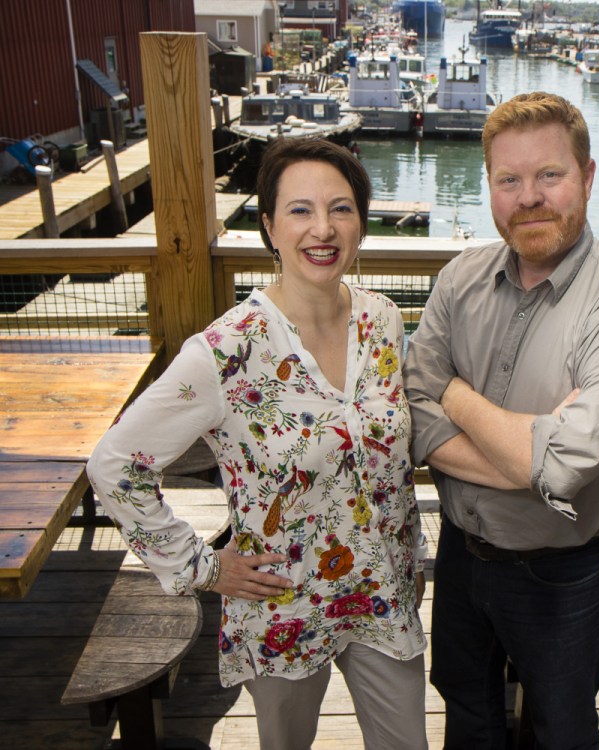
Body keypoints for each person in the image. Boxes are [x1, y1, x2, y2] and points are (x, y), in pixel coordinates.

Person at [87, 138, 428, 750]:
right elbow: (115, 466)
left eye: (341, 209)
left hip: (384, 592)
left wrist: (414, 551)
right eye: (300, 210)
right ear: (269, 225)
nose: (322, 229)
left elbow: (390, 462)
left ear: (361, 224)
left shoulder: (383, 320)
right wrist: (203, 567)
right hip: (282, 604)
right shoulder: (225, 350)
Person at [403, 92, 599, 750]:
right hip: (462, 554)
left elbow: (558, 465)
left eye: (549, 175)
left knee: (560, 727)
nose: (529, 197)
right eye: (509, 180)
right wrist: (523, 455)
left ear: (587, 176)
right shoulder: (459, 280)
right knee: (467, 709)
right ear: (490, 187)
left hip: (566, 571)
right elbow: (410, 409)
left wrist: (455, 396)